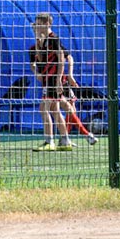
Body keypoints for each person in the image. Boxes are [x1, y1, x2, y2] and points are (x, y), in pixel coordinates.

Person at [28, 13, 72, 152]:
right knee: (54, 110)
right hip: (48, 79)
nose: (37, 26)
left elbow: (61, 59)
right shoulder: (45, 41)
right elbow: (40, 60)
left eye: (39, 23)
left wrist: (59, 79)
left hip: (53, 79)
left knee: (44, 109)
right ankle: (65, 140)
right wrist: (38, 42)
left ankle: (49, 141)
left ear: (47, 23)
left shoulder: (54, 39)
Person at [59, 45, 98, 146]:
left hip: (63, 83)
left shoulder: (54, 42)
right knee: (67, 109)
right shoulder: (37, 48)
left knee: (72, 109)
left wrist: (70, 75)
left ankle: (65, 139)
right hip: (52, 84)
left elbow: (70, 57)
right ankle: (86, 135)